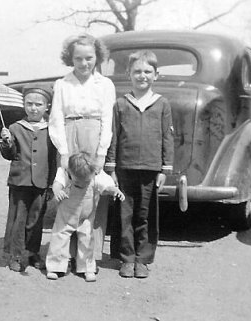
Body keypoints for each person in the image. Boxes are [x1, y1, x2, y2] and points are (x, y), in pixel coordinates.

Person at [105, 50, 174, 279]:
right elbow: (114, 136)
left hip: (151, 170)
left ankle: (142, 260)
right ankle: (126, 258)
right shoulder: (120, 104)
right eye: (137, 71)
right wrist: (112, 168)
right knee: (124, 216)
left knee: (145, 216)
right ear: (129, 74)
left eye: (147, 71)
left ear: (156, 75)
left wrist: (166, 168)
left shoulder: (162, 104)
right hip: (125, 169)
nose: (142, 76)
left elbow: (167, 137)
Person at [48, 33, 116, 262]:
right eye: (78, 58)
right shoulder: (63, 84)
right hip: (69, 134)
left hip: (94, 135)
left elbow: (107, 119)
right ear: (71, 58)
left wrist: (101, 153)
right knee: (70, 189)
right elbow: (56, 117)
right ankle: (64, 253)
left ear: (97, 57)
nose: (84, 63)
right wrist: (64, 152)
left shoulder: (105, 84)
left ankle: (89, 257)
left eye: (89, 58)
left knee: (94, 191)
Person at [0, 83, 56, 273]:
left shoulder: (52, 128)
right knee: (18, 220)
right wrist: (7, 142)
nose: (33, 108)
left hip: (42, 182)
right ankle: (16, 255)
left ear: (47, 106)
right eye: (29, 103)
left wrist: (52, 183)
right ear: (23, 104)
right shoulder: (15, 128)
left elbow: (54, 157)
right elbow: (9, 154)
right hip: (20, 181)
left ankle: (32, 252)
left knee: (36, 219)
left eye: (38, 104)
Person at [45, 152, 125, 282]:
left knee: (87, 240)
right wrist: (57, 191)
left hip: (86, 217)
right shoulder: (64, 173)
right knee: (59, 237)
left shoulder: (96, 174)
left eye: (86, 182)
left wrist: (114, 190)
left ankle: (87, 267)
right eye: (78, 183)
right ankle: (55, 266)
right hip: (66, 216)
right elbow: (57, 183)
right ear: (71, 172)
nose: (82, 185)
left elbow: (105, 186)